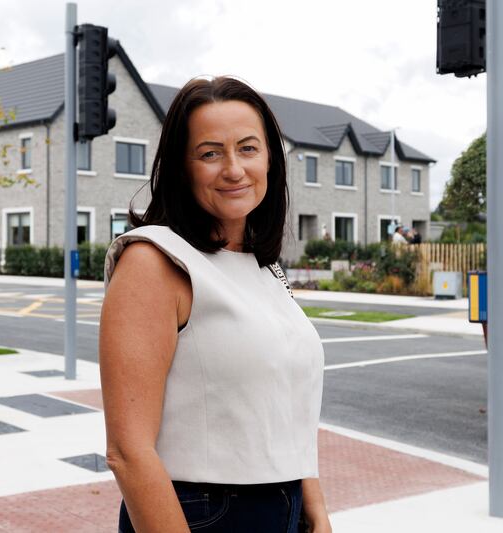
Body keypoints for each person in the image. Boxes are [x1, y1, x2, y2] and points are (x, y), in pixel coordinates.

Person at [99, 76, 332, 533]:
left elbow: (282, 404)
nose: (233, 169)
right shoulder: (153, 260)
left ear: (270, 160)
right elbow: (128, 452)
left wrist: (315, 507)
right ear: (182, 168)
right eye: (210, 153)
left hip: (284, 505)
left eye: (248, 148)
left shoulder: (263, 266)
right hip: (200, 513)